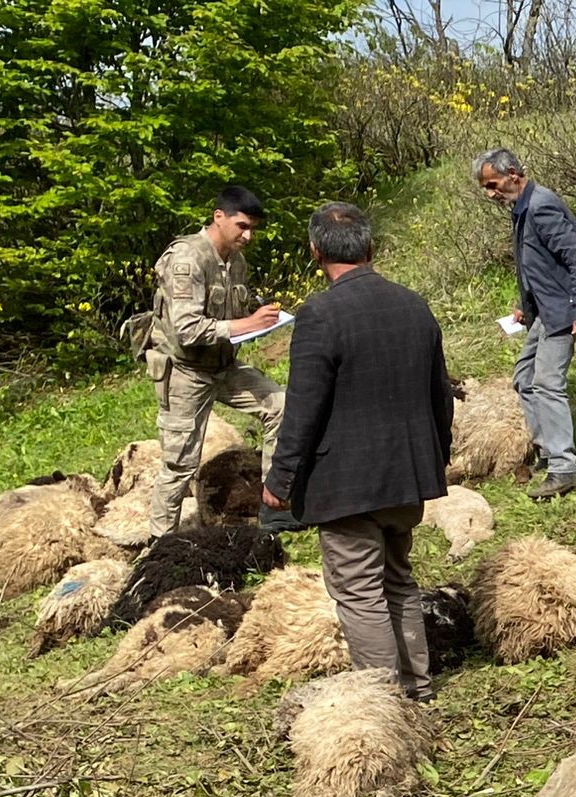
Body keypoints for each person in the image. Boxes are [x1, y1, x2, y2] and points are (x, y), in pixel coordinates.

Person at [261, 203, 453, 703]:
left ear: (315, 251)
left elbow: (301, 411)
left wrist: (279, 482)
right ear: (370, 248)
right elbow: (440, 395)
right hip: (408, 475)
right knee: (398, 581)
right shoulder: (414, 305)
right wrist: (437, 459)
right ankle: (418, 688)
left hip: (348, 484)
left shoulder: (320, 315)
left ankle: (382, 701)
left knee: (360, 592)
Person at [472, 148, 576, 501]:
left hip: (564, 310)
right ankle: (549, 449)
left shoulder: (541, 206)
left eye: (492, 185)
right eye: (485, 187)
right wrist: (525, 308)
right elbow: (537, 266)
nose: (490, 193)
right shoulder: (522, 207)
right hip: (545, 310)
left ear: (513, 175)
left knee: (548, 384)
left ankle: (563, 466)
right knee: (524, 379)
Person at [142, 186, 286, 536]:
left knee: (281, 404)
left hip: (225, 367)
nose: (248, 235)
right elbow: (188, 330)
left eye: (252, 228)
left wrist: (260, 320)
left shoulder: (236, 262)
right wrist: (246, 324)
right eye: (241, 226)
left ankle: (274, 504)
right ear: (218, 217)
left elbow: (231, 317)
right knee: (180, 463)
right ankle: (160, 541)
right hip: (186, 372)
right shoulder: (188, 260)